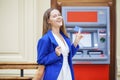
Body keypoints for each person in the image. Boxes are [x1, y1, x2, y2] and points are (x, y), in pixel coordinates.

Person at [37, 8, 83, 80]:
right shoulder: (45, 39)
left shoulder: (65, 38)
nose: (59, 17)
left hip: (67, 73)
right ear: (49, 21)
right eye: (55, 16)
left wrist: (75, 42)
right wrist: (55, 54)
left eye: (59, 15)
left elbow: (68, 56)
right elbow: (41, 60)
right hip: (55, 76)